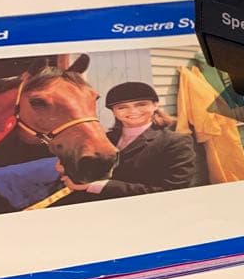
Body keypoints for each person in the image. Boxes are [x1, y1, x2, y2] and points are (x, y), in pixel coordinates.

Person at [59, 82, 195, 199]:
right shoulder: (105, 139)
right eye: (122, 107)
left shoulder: (176, 142)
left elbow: (174, 191)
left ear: (155, 105)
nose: (133, 111)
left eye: (141, 105)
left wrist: (100, 186)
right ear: (113, 111)